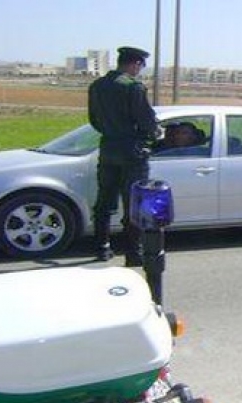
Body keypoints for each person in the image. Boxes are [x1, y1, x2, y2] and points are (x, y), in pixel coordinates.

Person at [88, 46, 158, 266]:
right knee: (134, 204)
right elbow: (146, 121)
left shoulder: (97, 85)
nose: (139, 70)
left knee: (104, 201)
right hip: (132, 152)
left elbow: (94, 120)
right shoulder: (133, 87)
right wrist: (154, 133)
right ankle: (133, 253)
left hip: (108, 148)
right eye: (140, 66)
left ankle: (102, 248)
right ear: (135, 64)